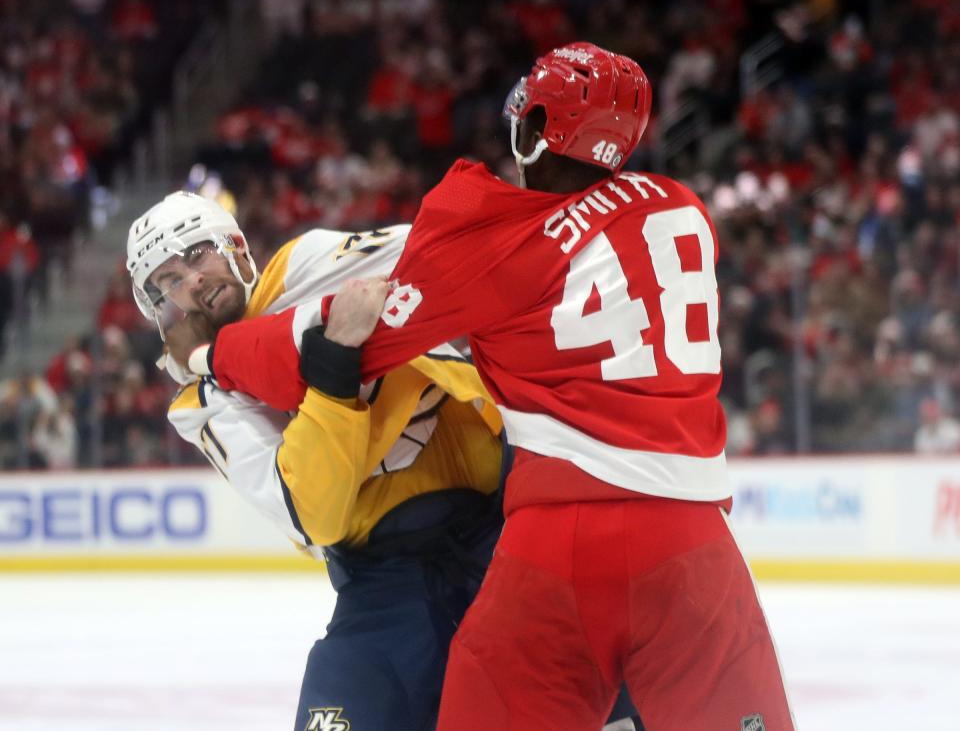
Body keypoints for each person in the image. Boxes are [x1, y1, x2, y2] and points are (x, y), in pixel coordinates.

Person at [179, 43, 795, 730]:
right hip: (695, 538)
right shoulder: (683, 208)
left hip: (559, 539)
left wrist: (213, 352)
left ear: (533, 130)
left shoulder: (505, 241)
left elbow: (338, 347)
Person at [126, 192, 642, 731]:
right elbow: (309, 515)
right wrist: (338, 366)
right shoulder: (199, 404)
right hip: (384, 585)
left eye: (198, 254)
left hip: (503, 536)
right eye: (166, 281)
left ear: (235, 246)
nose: (190, 282)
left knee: (614, 709)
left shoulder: (305, 265)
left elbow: (445, 255)